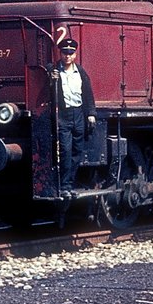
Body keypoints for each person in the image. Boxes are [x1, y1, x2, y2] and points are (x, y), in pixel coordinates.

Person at [53, 37, 96, 192]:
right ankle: (65, 185)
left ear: (75, 55)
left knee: (77, 150)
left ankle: (70, 182)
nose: (67, 56)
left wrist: (91, 113)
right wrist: (51, 77)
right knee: (65, 150)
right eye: (65, 53)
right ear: (60, 54)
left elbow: (88, 93)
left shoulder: (81, 72)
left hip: (78, 114)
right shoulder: (55, 71)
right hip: (63, 115)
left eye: (70, 53)